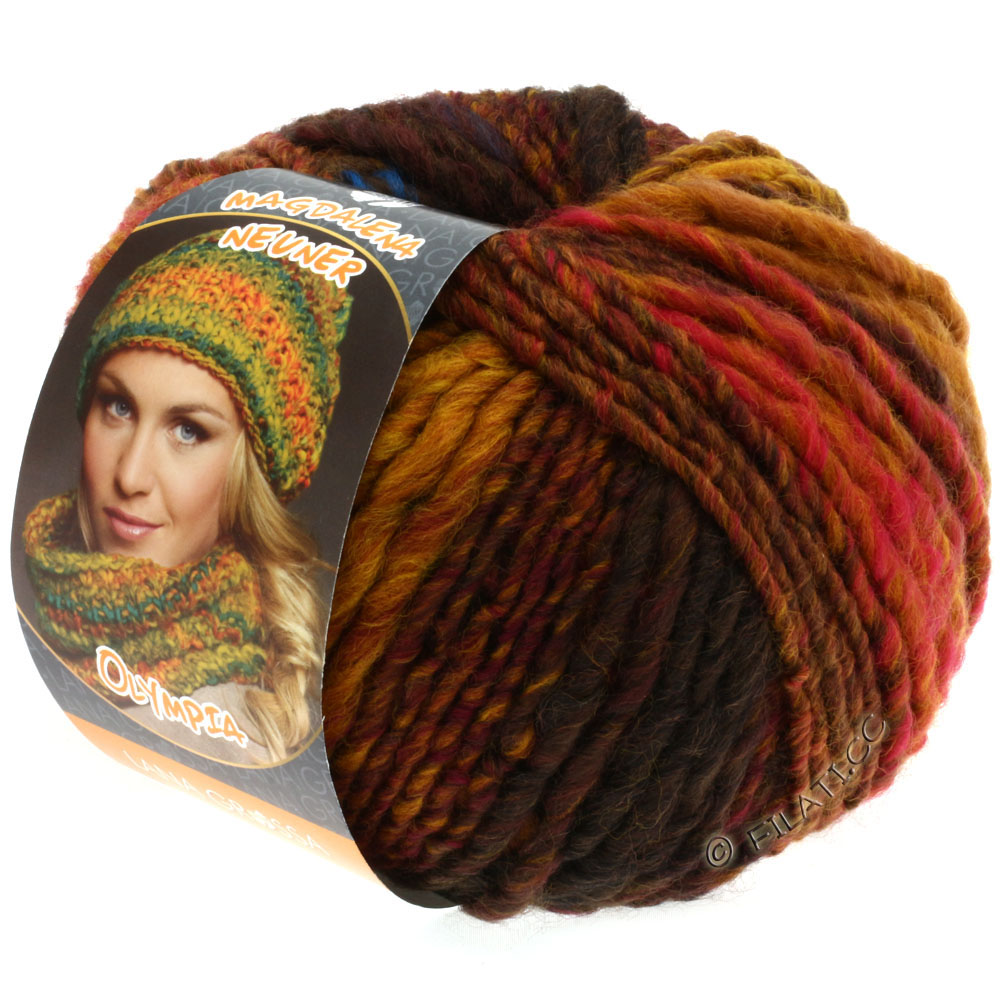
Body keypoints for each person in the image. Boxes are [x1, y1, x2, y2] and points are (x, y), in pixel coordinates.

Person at [23, 231, 352, 764]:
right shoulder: (29, 635)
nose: (130, 475)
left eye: (189, 431)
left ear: (251, 475)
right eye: (118, 407)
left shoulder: (237, 740)